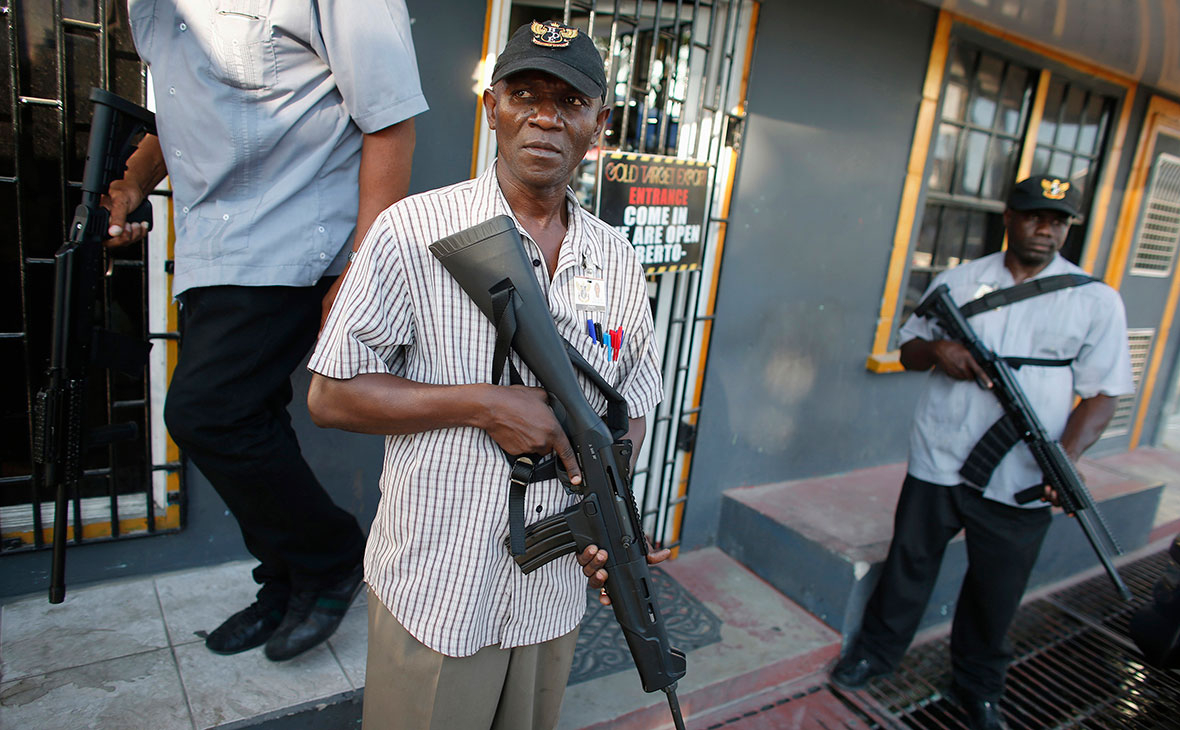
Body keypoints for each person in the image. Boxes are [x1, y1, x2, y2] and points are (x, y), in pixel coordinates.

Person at [307, 20, 667, 729]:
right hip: (438, 587)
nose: (544, 116)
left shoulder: (618, 258)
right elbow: (331, 394)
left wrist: (609, 505)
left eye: (569, 102)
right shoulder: (412, 231)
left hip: (553, 593)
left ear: (598, 125)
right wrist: (485, 405)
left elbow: (638, 400)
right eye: (525, 93)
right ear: (491, 108)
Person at [104, 0, 427, 661]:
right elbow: (182, 114)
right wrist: (132, 185)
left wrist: (363, 270)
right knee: (250, 419)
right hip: (211, 248)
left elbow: (390, 124)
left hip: (293, 236)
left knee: (206, 411)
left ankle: (332, 556)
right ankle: (283, 583)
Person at [829, 175, 1134, 730]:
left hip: (1022, 470)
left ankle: (977, 683)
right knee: (909, 563)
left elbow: (1105, 394)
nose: (1047, 228)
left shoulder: (1095, 299)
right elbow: (910, 351)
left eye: (1059, 220)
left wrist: (1065, 459)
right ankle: (875, 653)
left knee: (998, 588)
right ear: (1008, 217)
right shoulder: (960, 281)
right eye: (1035, 215)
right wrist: (939, 349)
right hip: (941, 453)